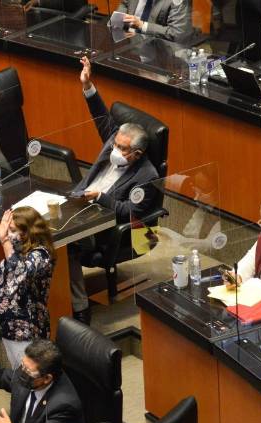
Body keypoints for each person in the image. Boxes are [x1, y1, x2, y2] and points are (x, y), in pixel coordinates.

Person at [70, 57, 160, 322]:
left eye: (122, 148)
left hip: (100, 225)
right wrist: (87, 85)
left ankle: (78, 305)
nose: (115, 149)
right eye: (115, 144)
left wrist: (101, 197)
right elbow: (101, 117)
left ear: (136, 154)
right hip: (78, 203)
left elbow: (132, 212)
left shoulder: (147, 176)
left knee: (64, 245)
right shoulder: (114, 140)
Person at [0, 325, 82, 423]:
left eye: (28, 371)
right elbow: (1, 377)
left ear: (47, 378)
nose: (22, 373)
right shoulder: (29, 371)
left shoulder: (63, 406)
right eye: (23, 365)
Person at [0, 207, 54, 368]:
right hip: (8, 330)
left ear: (28, 232)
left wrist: (4, 241)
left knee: (29, 374)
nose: (7, 234)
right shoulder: (17, 252)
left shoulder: (41, 255)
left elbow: (20, 272)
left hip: (26, 332)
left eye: (12, 230)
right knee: (18, 374)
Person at [117, 0, 193, 41]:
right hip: (128, 43)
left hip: (162, 51)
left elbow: (176, 33)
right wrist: (122, 20)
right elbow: (124, 3)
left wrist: (142, 25)